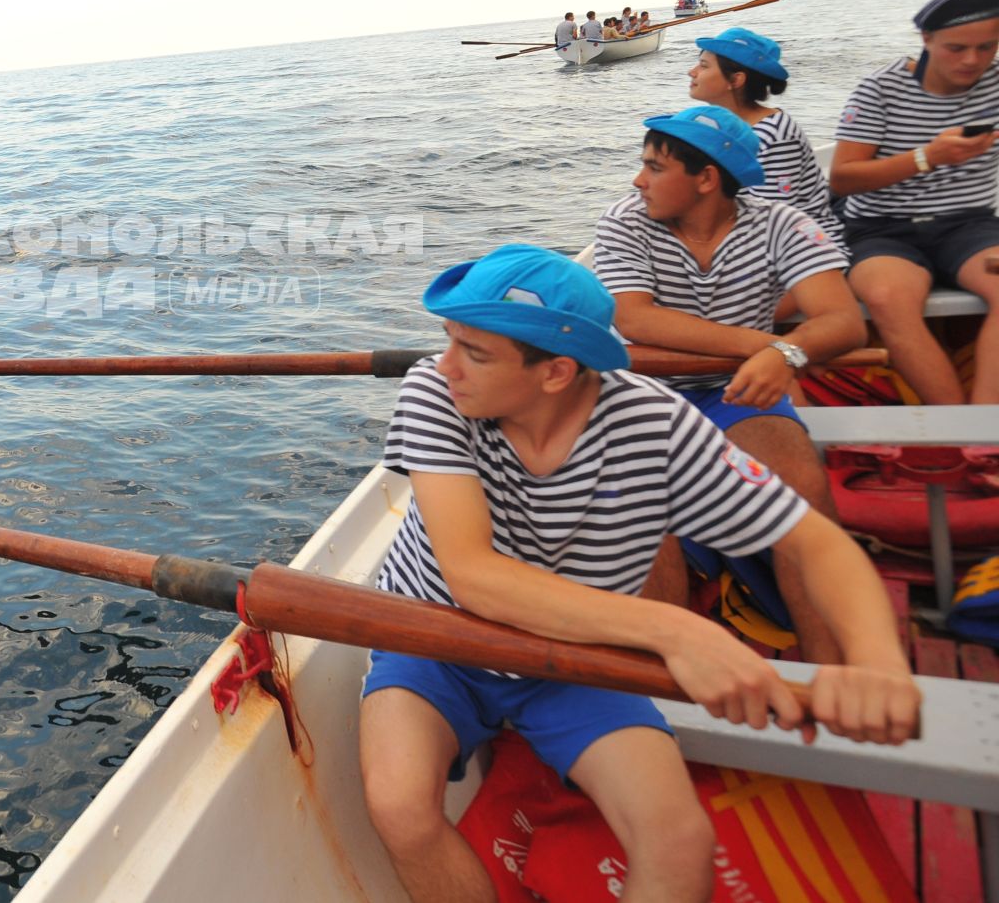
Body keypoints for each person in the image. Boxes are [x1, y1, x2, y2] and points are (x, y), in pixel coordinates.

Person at [359, 245, 916, 903]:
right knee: (399, 805)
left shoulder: (657, 426)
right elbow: (473, 575)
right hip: (436, 634)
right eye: (449, 340)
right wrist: (676, 632)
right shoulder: (436, 391)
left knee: (678, 839)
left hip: (571, 655)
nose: (443, 364)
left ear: (558, 372)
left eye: (474, 352)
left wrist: (879, 661)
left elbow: (818, 543)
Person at [593, 105, 862, 661]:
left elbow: (843, 320)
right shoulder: (626, 220)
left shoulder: (782, 224)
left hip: (735, 393)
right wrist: (773, 350)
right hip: (641, 395)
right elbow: (634, 319)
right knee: (636, 514)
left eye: (654, 168)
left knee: (804, 493)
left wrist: (783, 357)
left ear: (706, 178)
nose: (638, 180)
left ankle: (835, 679)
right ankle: (654, 683)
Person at [831, 0, 999, 404]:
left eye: (987, 47)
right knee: (889, 299)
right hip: (883, 228)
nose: (972, 60)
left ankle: (984, 433)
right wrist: (928, 156)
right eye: (957, 48)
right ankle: (963, 433)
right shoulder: (879, 90)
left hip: (970, 225)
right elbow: (843, 179)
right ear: (926, 39)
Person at [686, 27, 846, 247]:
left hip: (805, 250)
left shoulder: (774, 135)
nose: (692, 72)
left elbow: (771, 223)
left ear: (736, 79)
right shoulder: (721, 129)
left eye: (703, 66)